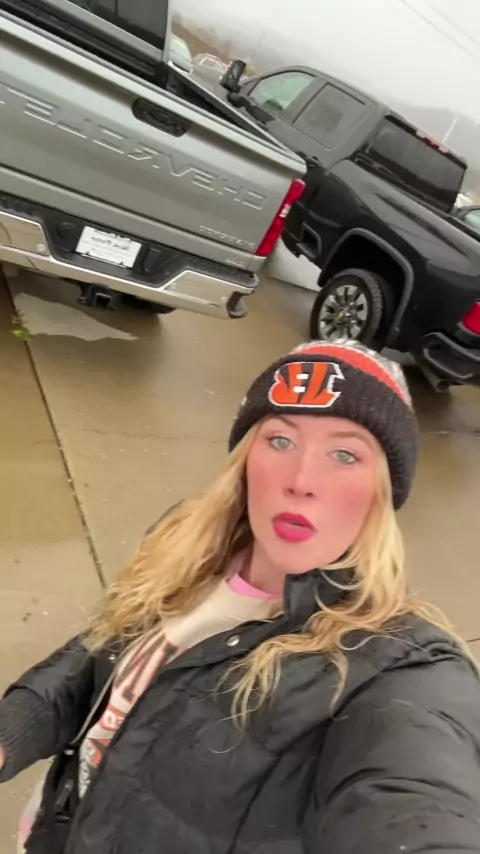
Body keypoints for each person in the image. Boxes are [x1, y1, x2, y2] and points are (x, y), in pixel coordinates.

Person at [1, 339, 480, 854]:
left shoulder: (399, 667)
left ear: (383, 492)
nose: (301, 480)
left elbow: (414, 799)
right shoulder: (185, 542)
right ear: (246, 458)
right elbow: (107, 651)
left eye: (345, 454)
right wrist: (14, 728)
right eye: (280, 440)